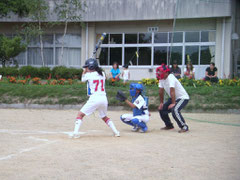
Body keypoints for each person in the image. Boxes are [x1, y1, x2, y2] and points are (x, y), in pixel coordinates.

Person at [69, 58, 120, 138]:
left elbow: (82, 79)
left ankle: (75, 133)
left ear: (91, 67)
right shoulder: (102, 73)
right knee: (104, 116)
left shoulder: (88, 75)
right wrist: (88, 68)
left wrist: (84, 70)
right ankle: (116, 132)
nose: (86, 68)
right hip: (103, 98)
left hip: (95, 98)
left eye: (87, 67)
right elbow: (99, 74)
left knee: (80, 114)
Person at [156, 64, 190, 133]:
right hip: (173, 98)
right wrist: (161, 103)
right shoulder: (161, 79)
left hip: (182, 97)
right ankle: (169, 125)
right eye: (159, 72)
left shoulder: (171, 77)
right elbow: (160, 91)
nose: (159, 73)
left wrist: (173, 103)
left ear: (166, 73)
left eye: (161, 72)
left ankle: (184, 126)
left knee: (175, 110)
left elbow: (172, 91)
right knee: (162, 109)